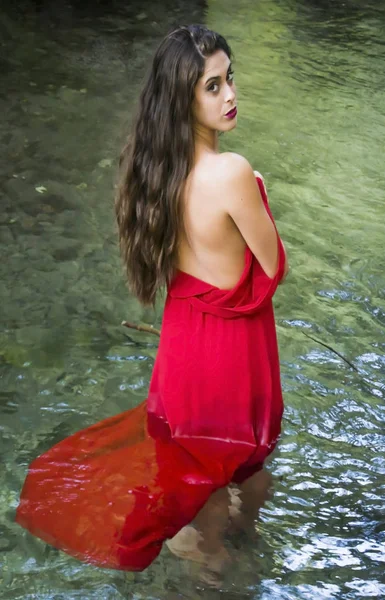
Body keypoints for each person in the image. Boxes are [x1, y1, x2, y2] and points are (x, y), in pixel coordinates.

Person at [16, 24, 288, 585]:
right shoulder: (231, 173)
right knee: (244, 475)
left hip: (183, 357)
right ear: (183, 98)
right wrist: (257, 192)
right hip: (230, 361)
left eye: (229, 78)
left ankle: (197, 564)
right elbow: (271, 266)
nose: (230, 94)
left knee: (193, 479)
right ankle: (227, 574)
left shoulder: (153, 172)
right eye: (212, 86)